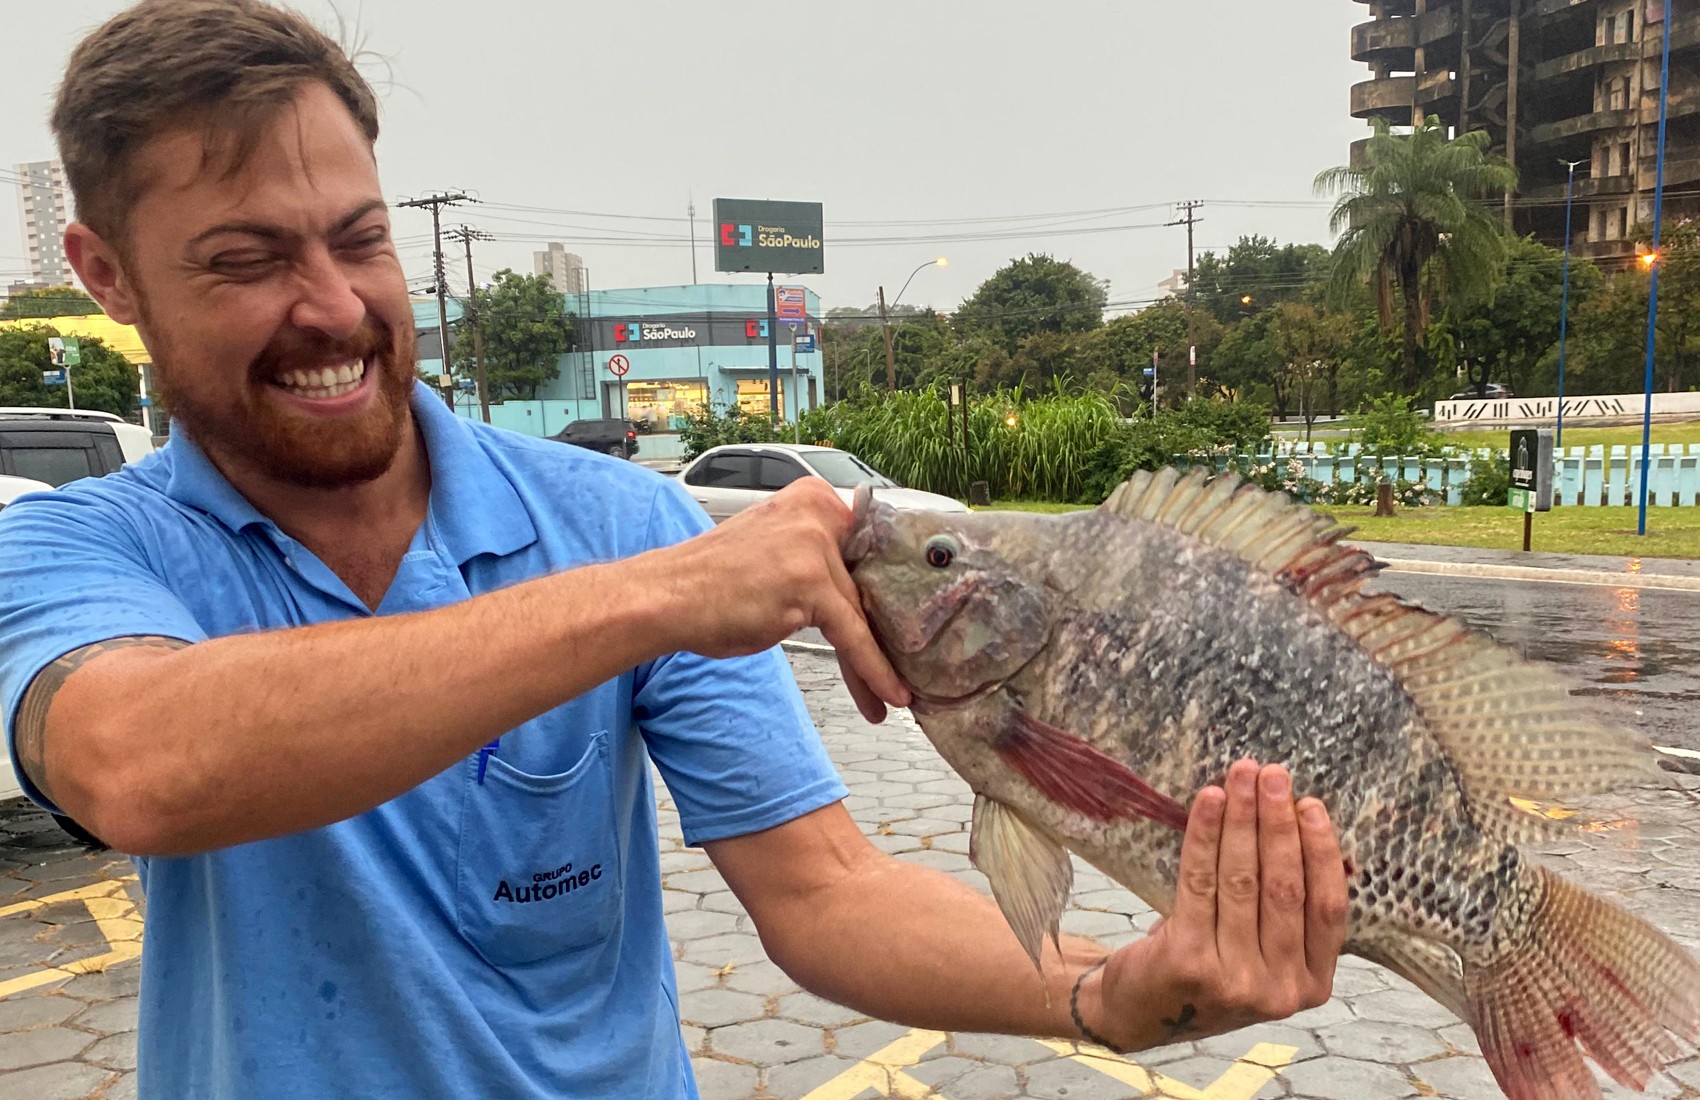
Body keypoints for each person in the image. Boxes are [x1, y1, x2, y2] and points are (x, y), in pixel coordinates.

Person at [0, 2, 1350, 1097]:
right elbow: (141, 766)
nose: (334, 306)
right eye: (244, 261)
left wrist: (1104, 993)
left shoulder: (611, 519)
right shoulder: (83, 541)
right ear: (105, 273)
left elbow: (826, 892)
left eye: (360, 239)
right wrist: (651, 598)